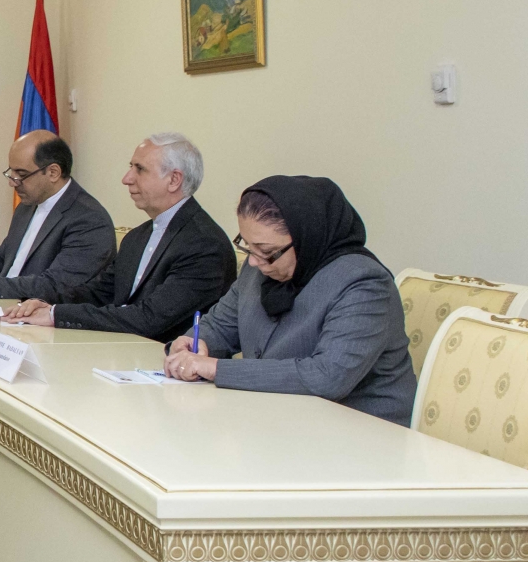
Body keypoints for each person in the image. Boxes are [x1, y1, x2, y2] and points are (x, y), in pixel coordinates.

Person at [164, 175, 416, 425]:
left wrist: (215, 368)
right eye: (247, 246)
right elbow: (220, 326)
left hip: (360, 430)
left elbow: (328, 376)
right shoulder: (258, 269)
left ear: (307, 236)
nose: (254, 261)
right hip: (278, 419)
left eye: (267, 251)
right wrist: (193, 344)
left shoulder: (363, 283)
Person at [2, 133, 235, 342]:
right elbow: (99, 292)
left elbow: (149, 319)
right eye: (130, 167)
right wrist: (45, 304)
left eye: (140, 169)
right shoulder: (137, 237)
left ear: (174, 180)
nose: (127, 178)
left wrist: (56, 314)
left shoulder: (204, 245)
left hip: (168, 365)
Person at [0, 131, 114, 302]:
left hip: (38, 315)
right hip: (4, 306)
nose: (12, 182)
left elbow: (54, 286)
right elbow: (1, 259)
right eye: (11, 172)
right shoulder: (27, 206)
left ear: (53, 172)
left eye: (21, 174)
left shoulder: (89, 220)